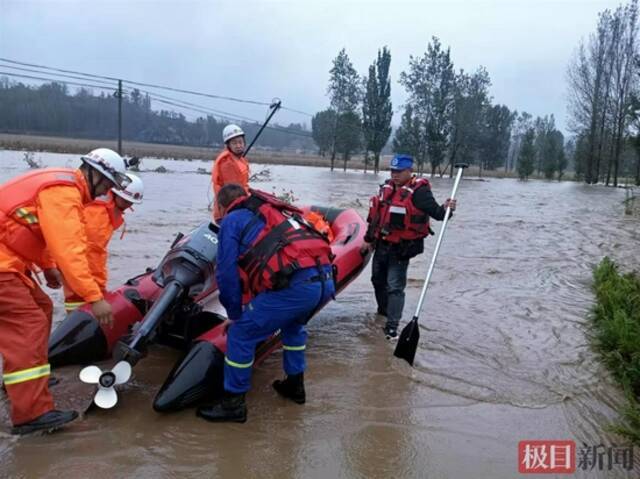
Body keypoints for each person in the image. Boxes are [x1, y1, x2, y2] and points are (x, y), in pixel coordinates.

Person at [0, 148, 129, 435]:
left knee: (42, 308)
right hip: (3, 265)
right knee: (27, 324)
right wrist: (94, 297)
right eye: (107, 184)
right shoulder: (64, 192)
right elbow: (69, 248)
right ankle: (31, 414)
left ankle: (25, 384)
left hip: (9, 260)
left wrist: (46, 266)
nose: (106, 192)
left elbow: (37, 231)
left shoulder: (62, 187)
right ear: (94, 174)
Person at [197, 184, 335, 423]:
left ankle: (234, 405)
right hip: (324, 281)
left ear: (221, 206)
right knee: (293, 327)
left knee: (241, 333)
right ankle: (295, 386)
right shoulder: (273, 212)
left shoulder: (232, 221)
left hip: (297, 287)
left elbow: (227, 273)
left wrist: (235, 313)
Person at [361, 154, 457, 340]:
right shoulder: (386, 188)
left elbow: (438, 214)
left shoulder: (419, 192)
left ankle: (391, 327)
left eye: (399, 171)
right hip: (381, 244)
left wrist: (447, 208)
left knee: (394, 286)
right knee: (377, 280)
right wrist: (368, 238)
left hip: (401, 248)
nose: (395, 175)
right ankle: (383, 312)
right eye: (392, 171)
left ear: (409, 171)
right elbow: (376, 217)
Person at [63, 173, 144, 312]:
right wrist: (97, 289)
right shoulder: (99, 215)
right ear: (115, 193)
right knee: (77, 304)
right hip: (79, 272)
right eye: (126, 201)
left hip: (77, 270)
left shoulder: (105, 208)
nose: (128, 206)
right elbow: (91, 253)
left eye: (131, 203)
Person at [211, 124, 250, 221]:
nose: (238, 146)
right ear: (228, 145)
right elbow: (232, 193)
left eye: (240, 142)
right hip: (228, 211)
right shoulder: (227, 163)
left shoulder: (239, 160)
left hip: (235, 209)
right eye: (234, 143)